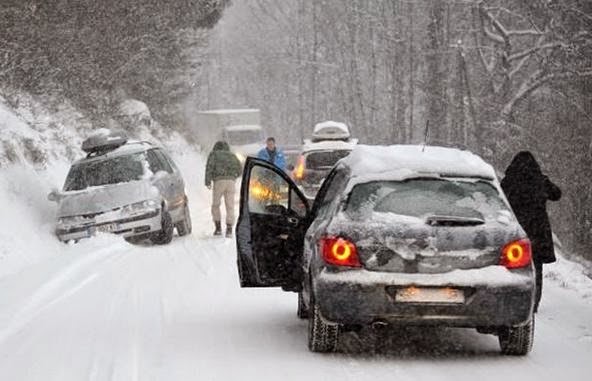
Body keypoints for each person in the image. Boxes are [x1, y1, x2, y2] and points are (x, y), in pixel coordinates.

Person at [501, 151, 561, 313]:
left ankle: (515, 300)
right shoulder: (540, 181)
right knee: (537, 268)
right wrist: (545, 180)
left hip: (517, 230)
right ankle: (534, 303)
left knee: (514, 267)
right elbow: (557, 194)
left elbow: (500, 200)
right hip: (538, 231)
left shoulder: (509, 181)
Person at [205, 141, 242, 237]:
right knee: (230, 205)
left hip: (219, 181)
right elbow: (240, 169)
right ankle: (229, 229)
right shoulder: (232, 155)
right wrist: (233, 176)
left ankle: (218, 228)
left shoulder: (214, 154)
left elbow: (209, 167)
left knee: (216, 204)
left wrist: (207, 181)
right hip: (231, 182)